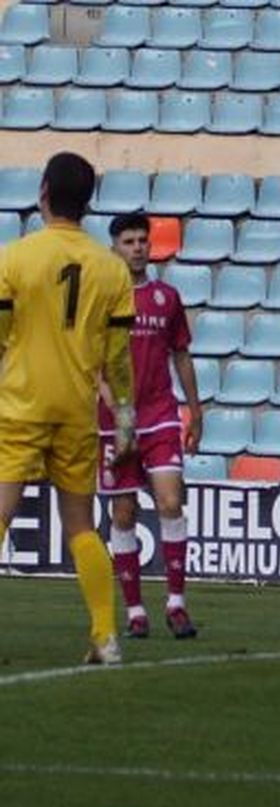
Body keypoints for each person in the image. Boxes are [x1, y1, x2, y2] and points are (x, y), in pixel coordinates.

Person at [0, 152, 137, 664]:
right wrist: (124, 417)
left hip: (22, 404)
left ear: (42, 193)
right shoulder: (113, 270)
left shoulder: (14, 258)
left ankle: (105, 636)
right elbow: (118, 360)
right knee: (80, 524)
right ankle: (105, 636)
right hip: (77, 411)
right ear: (89, 203)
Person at [98, 213, 200, 640]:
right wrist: (118, 413)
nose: (138, 247)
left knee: (170, 501)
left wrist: (195, 408)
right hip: (112, 421)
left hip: (159, 415)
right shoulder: (100, 302)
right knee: (123, 514)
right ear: (114, 248)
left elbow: (180, 354)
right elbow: (91, 366)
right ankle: (135, 611)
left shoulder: (166, 298)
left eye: (142, 240)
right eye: (129, 241)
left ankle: (176, 604)